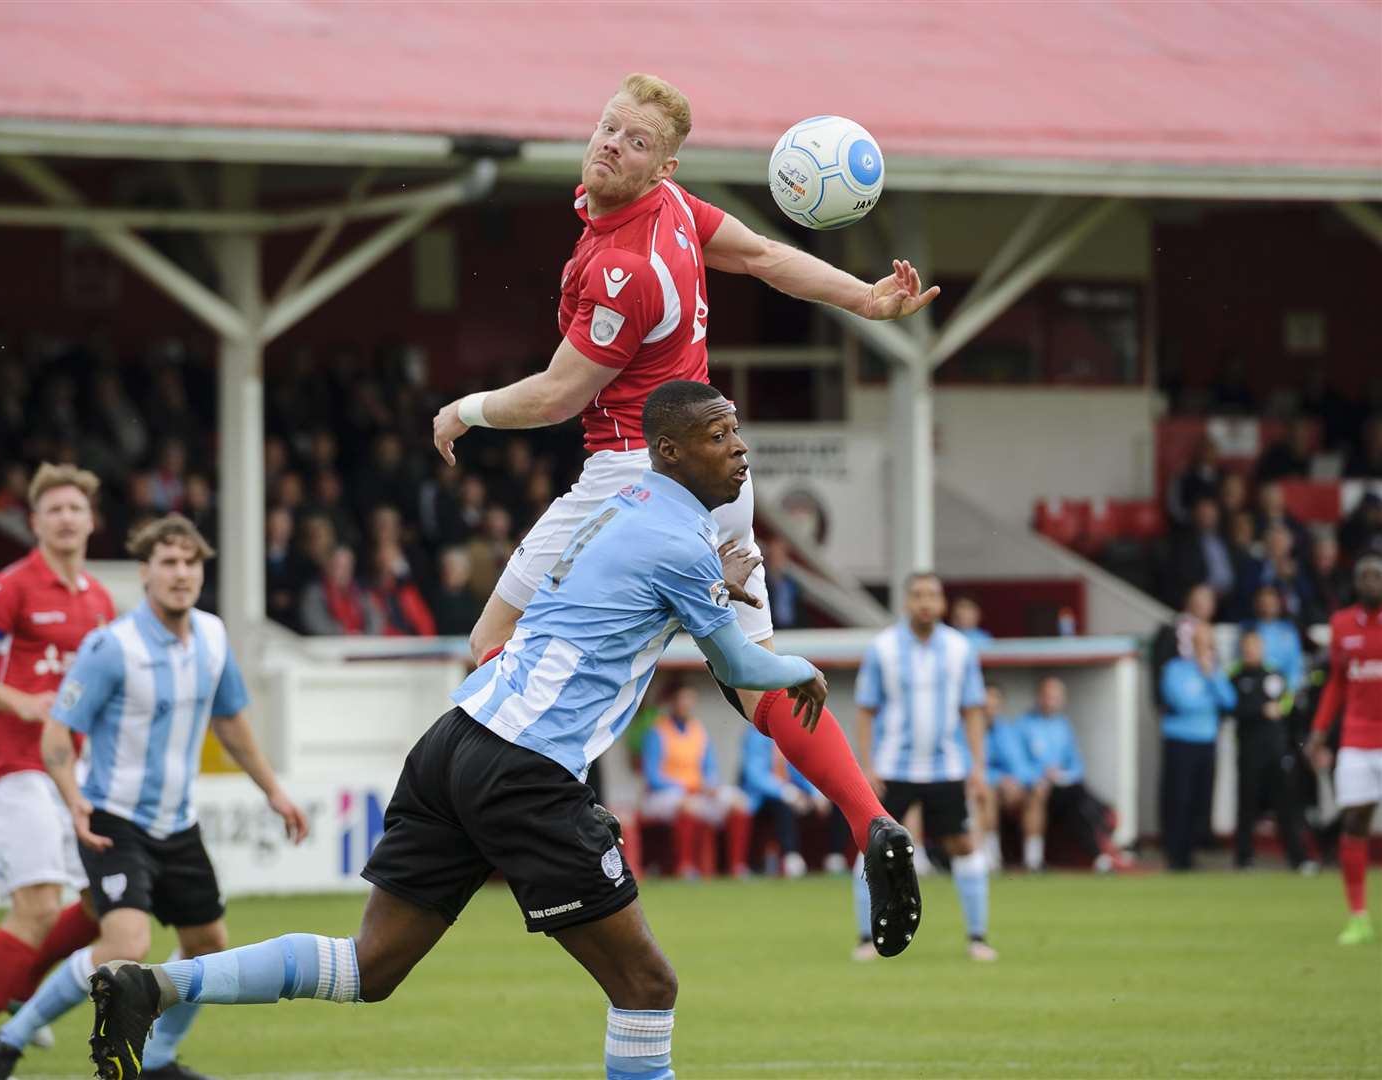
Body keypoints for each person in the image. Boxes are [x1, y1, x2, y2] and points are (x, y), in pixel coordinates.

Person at [82, 383, 920, 1080]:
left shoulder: (620, 503)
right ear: (668, 451)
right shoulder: (682, 543)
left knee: (368, 966)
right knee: (647, 986)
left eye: (738, 432)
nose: (739, 450)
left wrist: (716, 581)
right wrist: (798, 668)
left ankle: (156, 984)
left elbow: (635, 592)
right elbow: (740, 668)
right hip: (525, 768)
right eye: (717, 435)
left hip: (454, 739)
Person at [430, 70, 928, 885]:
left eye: (635, 143)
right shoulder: (672, 209)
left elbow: (559, 395)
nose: (610, 145)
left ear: (660, 167)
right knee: (748, 667)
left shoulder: (623, 268)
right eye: (608, 127)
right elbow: (764, 257)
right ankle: (868, 818)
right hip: (719, 468)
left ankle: (538, 828)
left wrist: (467, 411)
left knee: (494, 643)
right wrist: (864, 302)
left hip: (633, 477)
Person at [0, 514, 308, 1079]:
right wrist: (74, 799)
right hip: (113, 819)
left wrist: (273, 790)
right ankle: (11, 1037)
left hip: (176, 825)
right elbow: (57, 732)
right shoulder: (112, 647)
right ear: (145, 574)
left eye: (190, 563)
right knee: (125, 943)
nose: (181, 574)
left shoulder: (212, 636)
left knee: (208, 949)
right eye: (169, 563)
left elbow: (230, 722)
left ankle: (155, 1059)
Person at [0, 465, 116, 1080]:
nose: (66, 518)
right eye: (53, 510)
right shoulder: (10, 587)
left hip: (78, 774)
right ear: (34, 522)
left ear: (92, 521)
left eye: (75, 509)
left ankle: (24, 990)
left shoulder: (98, 600)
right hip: (18, 769)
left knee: (103, 906)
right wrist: (20, 702)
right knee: (36, 906)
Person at [853, 572, 996, 962]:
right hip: (893, 766)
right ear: (906, 602)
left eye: (932, 595)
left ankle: (978, 937)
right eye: (917, 595)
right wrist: (866, 765)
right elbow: (865, 710)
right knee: (872, 848)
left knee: (963, 845)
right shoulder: (882, 648)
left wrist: (978, 766)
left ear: (943, 602)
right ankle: (867, 939)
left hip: (945, 767)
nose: (925, 602)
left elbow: (972, 711)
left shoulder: (959, 649)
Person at [1305, 554, 1382, 945]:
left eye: (1376, 576)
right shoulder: (1341, 624)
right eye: (1364, 576)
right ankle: (1358, 916)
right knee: (1354, 821)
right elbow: (1336, 683)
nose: (1370, 582)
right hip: (1355, 737)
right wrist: (1319, 731)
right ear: (1355, 582)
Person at [1013, 677, 1123, 873]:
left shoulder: (1063, 725)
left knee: (1076, 800)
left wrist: (1061, 775)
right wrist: (1038, 777)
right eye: (1048, 696)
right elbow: (1016, 762)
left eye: (1056, 697)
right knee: (1078, 799)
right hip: (1035, 788)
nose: (1051, 702)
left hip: (1063, 788)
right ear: (1039, 697)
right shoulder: (1023, 725)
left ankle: (1099, 855)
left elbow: (1076, 765)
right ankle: (1035, 861)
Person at [639, 683, 748, 878]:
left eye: (690, 699)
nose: (686, 704)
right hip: (665, 794)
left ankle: (736, 866)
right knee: (687, 806)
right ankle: (685, 866)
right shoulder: (657, 732)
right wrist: (684, 786)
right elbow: (653, 776)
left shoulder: (699, 730)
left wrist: (710, 785)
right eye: (682, 699)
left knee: (738, 802)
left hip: (698, 792)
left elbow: (709, 767)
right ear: (672, 702)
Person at [1227, 630, 1314, 873]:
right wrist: (1260, 710)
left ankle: (1299, 859)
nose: (1250, 650)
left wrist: (1280, 709)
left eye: (1254, 646)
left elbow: (1287, 702)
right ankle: (1244, 859)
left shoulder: (1274, 672)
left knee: (1286, 805)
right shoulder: (1234, 675)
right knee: (1247, 807)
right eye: (1247, 646)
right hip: (1248, 750)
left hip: (1275, 749)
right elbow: (1232, 707)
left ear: (1262, 647)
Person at [1159, 621, 1235, 871]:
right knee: (1179, 799)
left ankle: (1191, 853)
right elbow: (1180, 701)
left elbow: (1229, 700)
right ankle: (1175, 855)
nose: (1205, 646)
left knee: (1201, 800)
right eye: (1200, 641)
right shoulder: (1174, 668)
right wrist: (1207, 702)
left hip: (1206, 740)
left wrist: (1210, 676)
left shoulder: (1214, 669)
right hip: (1180, 740)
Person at [739, 723, 849, 877]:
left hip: (796, 793)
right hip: (763, 797)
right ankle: (792, 858)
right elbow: (756, 776)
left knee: (834, 800)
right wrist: (785, 792)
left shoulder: (790, 733)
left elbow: (801, 768)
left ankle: (835, 856)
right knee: (782, 805)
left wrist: (816, 792)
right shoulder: (756, 735)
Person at [974, 684, 1030, 872]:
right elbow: (968, 766)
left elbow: (1020, 765)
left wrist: (1014, 782)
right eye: (985, 706)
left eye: (994, 705)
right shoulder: (965, 729)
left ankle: (1033, 859)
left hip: (1008, 791)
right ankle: (991, 855)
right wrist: (999, 779)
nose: (989, 710)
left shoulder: (1006, 730)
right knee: (986, 791)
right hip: (974, 788)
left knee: (1037, 793)